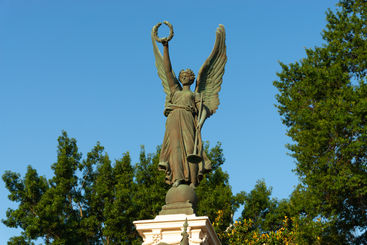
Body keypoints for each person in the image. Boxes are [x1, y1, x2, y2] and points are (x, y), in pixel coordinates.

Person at [158, 40, 211, 188]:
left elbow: (204, 109)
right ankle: (178, 178)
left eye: (187, 75)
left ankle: (193, 181)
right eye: (182, 75)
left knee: (190, 150)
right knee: (175, 150)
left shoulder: (194, 94)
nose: (184, 76)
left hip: (188, 119)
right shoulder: (175, 90)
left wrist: (200, 122)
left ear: (192, 78)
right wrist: (165, 47)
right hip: (174, 118)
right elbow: (167, 70)